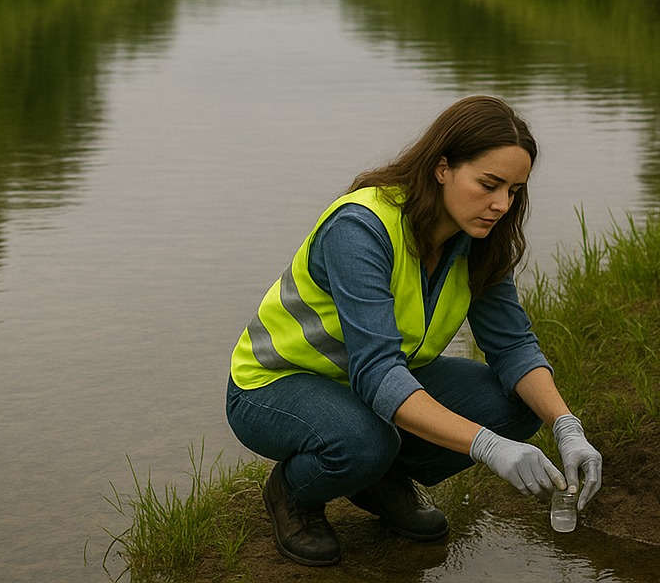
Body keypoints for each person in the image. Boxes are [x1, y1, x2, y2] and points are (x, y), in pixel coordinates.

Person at [225, 95, 603, 567]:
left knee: (517, 403)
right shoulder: (361, 228)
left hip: (369, 383)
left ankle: (377, 479)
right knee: (364, 441)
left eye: (514, 191)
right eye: (489, 185)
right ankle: (293, 493)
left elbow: (513, 346)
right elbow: (378, 371)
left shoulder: (479, 239)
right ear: (442, 167)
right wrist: (486, 447)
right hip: (275, 385)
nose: (501, 205)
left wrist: (567, 427)